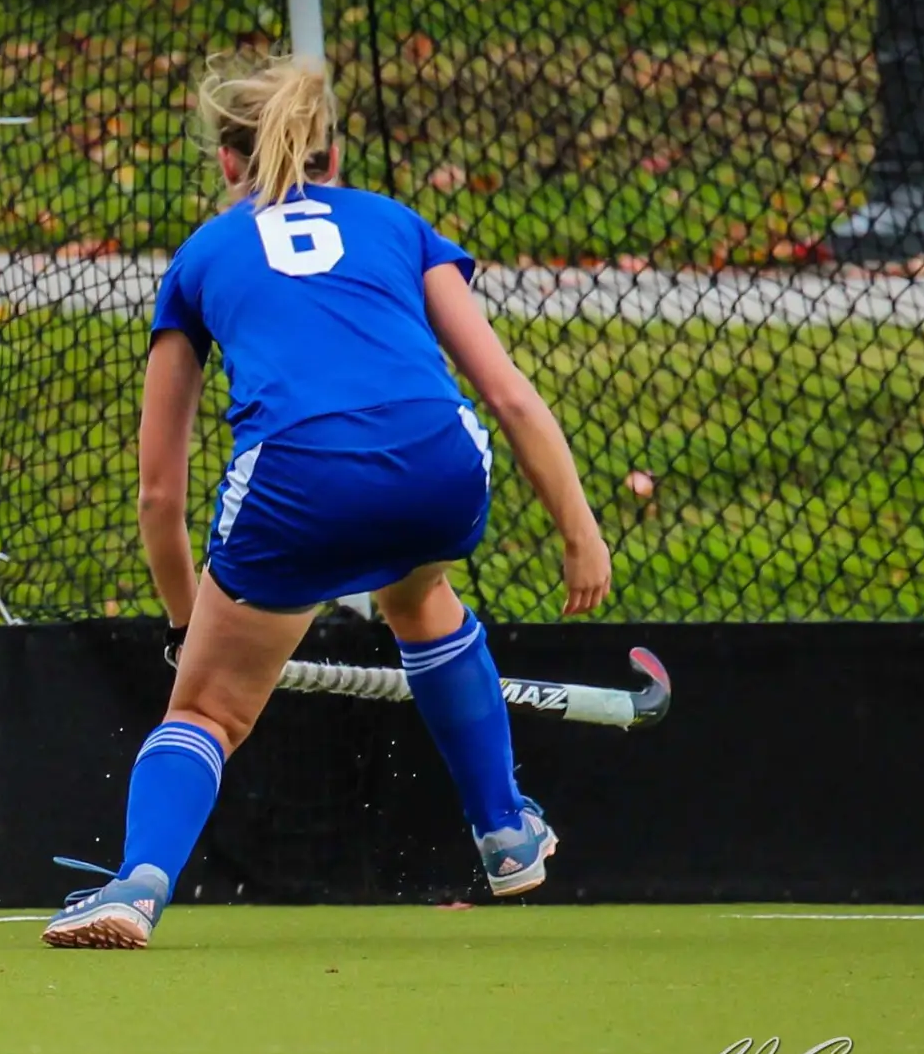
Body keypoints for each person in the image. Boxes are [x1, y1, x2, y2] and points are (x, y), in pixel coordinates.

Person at [43, 54, 612, 949]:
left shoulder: (201, 257)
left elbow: (160, 491)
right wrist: (580, 533)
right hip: (440, 460)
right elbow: (508, 395)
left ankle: (136, 885)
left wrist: (189, 621)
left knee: (205, 712)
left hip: (300, 477)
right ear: (333, 152)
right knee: (419, 592)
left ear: (229, 163)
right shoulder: (397, 224)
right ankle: (505, 830)